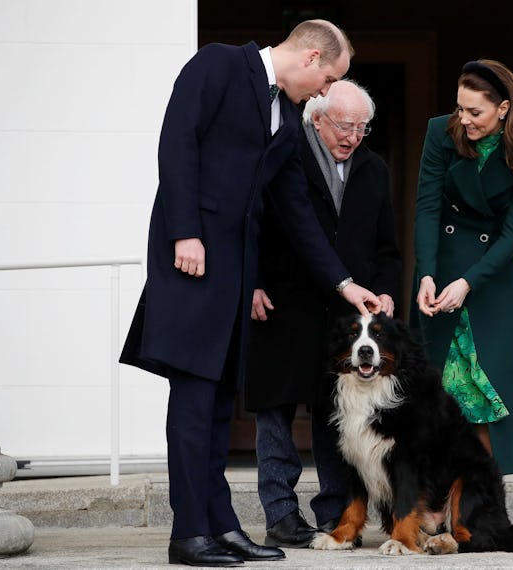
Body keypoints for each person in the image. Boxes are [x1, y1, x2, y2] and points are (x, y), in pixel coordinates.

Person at [119, 20, 382, 567]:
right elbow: (177, 142)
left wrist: (344, 282)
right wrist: (185, 231)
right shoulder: (217, 63)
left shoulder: (286, 114)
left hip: (234, 272)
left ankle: (221, 526)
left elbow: (295, 211)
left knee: (218, 404)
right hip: (190, 260)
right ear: (311, 58)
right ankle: (189, 533)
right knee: (193, 399)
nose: (325, 91)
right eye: (329, 78)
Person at [245, 79, 401, 548]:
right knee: (274, 410)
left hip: (345, 318)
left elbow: (388, 249)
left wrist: (388, 293)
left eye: (362, 127)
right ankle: (281, 515)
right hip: (281, 301)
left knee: (336, 414)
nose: (353, 136)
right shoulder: (285, 151)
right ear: (317, 118)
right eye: (344, 125)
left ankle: (336, 515)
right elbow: (252, 218)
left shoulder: (374, 169)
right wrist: (250, 281)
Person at [413, 59, 513, 476]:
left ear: (504, 108)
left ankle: (481, 506)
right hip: (441, 272)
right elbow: (428, 206)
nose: (464, 119)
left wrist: (469, 282)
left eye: (475, 112)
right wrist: (427, 273)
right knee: (439, 394)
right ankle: (433, 508)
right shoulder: (441, 132)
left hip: (491, 280)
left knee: (487, 392)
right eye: (460, 109)